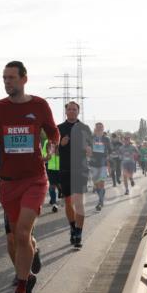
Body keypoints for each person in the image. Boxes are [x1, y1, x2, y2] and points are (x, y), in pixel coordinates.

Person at [0, 61, 59, 293]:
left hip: (34, 179)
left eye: (11, 77)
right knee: (15, 238)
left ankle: (20, 292)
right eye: (4, 78)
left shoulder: (39, 105)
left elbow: (53, 133)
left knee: (21, 233)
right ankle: (28, 272)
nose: (7, 81)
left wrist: (51, 147)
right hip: (8, 182)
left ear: (24, 79)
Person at [57, 101, 92, 249]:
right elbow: (53, 151)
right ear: (66, 112)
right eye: (69, 109)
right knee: (68, 202)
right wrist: (61, 144)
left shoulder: (85, 128)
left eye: (74, 109)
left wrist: (89, 149)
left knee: (79, 202)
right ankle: (72, 227)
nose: (72, 111)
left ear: (78, 111)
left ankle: (78, 233)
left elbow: (92, 149)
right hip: (65, 170)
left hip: (80, 170)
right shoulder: (59, 129)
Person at [90, 122, 112, 211]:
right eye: (97, 128)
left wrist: (109, 162)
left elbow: (110, 150)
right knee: (96, 184)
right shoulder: (91, 138)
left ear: (103, 130)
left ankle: (100, 202)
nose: (99, 129)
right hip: (93, 164)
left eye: (101, 128)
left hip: (103, 164)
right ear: (95, 129)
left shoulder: (106, 139)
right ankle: (101, 198)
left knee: (101, 184)